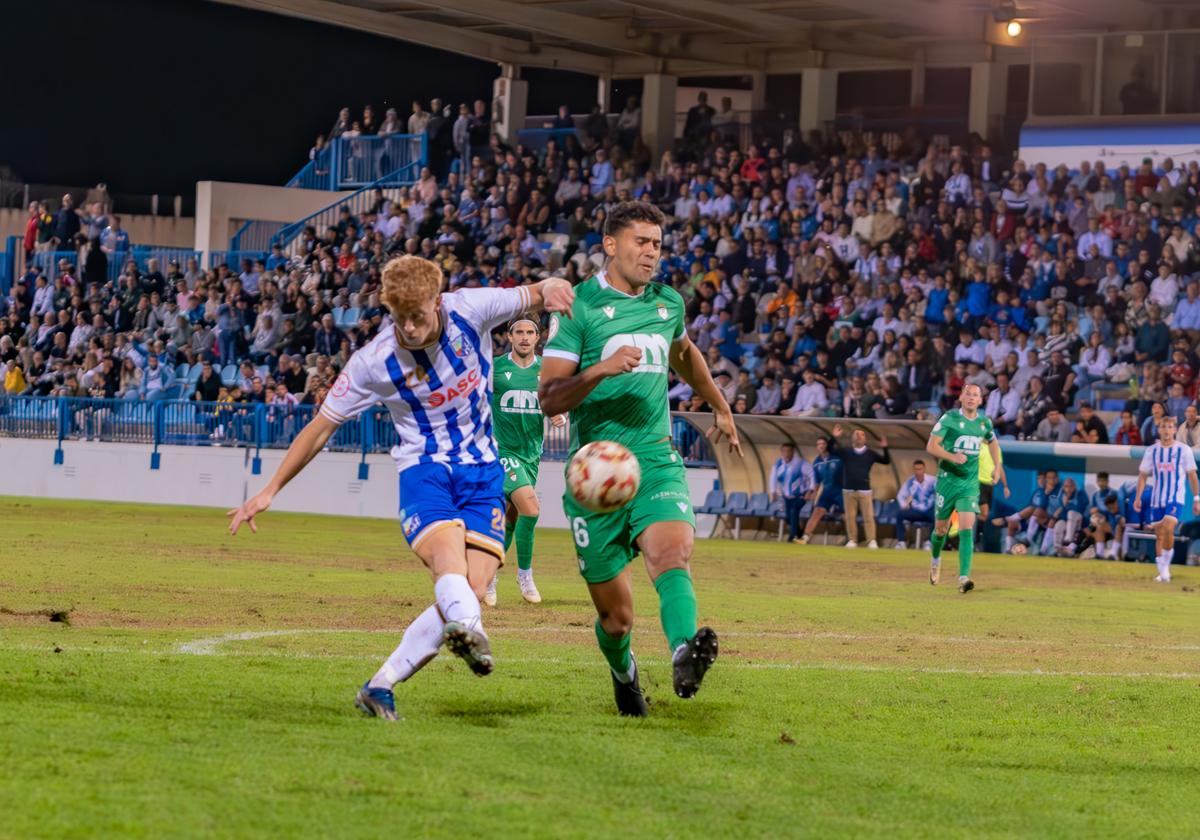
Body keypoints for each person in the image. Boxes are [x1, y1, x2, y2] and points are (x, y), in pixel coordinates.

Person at [226, 255, 575, 720]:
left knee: (471, 587)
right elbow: (320, 427)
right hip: (425, 472)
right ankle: (473, 635)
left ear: (437, 301)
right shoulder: (373, 361)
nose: (409, 327)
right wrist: (271, 488)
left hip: (484, 473)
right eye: (399, 317)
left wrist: (554, 286)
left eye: (418, 315)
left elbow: (536, 291)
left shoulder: (472, 308)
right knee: (449, 570)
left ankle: (380, 684)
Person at [539, 200, 741, 717]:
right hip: (596, 472)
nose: (652, 253)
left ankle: (682, 651)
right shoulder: (579, 307)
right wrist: (601, 370)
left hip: (653, 457)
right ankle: (623, 672)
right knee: (617, 620)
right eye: (641, 242)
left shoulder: (667, 302)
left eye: (657, 244)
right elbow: (550, 397)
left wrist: (720, 406)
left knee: (672, 553)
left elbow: (684, 353)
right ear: (611, 245)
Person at [486, 318, 567, 606]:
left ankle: (488, 577)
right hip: (502, 453)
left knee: (512, 517)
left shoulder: (546, 370)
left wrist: (559, 415)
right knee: (531, 509)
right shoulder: (496, 369)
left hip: (532, 456)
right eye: (519, 332)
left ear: (538, 337)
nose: (524, 337)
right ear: (509, 336)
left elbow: (556, 402)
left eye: (530, 332)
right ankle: (525, 575)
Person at [925, 383, 1004, 593]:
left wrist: (998, 466)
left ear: (980, 400)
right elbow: (931, 446)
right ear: (961, 397)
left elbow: (993, 442)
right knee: (941, 530)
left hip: (969, 484)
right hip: (947, 480)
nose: (971, 397)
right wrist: (952, 457)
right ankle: (935, 558)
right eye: (967, 394)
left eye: (975, 395)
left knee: (967, 527)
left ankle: (963, 577)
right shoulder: (949, 418)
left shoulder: (984, 422)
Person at [1133, 414, 1200, 583]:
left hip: (1175, 498)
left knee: (1168, 527)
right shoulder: (1152, 451)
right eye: (1163, 427)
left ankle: (1164, 570)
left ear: (1175, 430)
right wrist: (1138, 497)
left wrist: (1197, 498)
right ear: (1159, 429)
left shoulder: (1183, 450)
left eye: (1170, 427)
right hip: (1157, 499)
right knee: (1160, 534)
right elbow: (1142, 475)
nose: (1167, 430)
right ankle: (1163, 570)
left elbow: (1192, 475)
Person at [829, 424, 890, 549]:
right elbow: (831, 451)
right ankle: (852, 540)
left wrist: (885, 448)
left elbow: (886, 461)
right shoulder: (846, 452)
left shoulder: (870, 454)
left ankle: (871, 540)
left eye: (861, 434)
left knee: (868, 517)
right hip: (848, 490)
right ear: (852, 439)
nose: (858, 436)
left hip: (865, 490)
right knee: (850, 517)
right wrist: (833, 437)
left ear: (865, 439)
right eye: (855, 434)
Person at [799, 436, 843, 545]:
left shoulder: (837, 458)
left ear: (827, 445)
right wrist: (812, 492)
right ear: (817, 447)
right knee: (816, 512)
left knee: (847, 515)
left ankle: (853, 539)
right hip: (827, 492)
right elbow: (817, 481)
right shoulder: (816, 462)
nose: (821, 446)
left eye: (823, 443)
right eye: (819, 444)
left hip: (840, 492)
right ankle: (805, 537)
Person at [769, 442, 814, 543]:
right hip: (786, 496)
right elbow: (773, 478)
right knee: (788, 517)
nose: (786, 454)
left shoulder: (801, 463)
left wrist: (810, 491)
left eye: (788, 451)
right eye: (784, 451)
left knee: (794, 512)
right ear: (781, 452)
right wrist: (773, 492)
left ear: (793, 452)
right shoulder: (778, 464)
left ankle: (792, 537)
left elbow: (812, 475)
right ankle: (799, 533)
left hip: (800, 495)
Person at [894, 460, 936, 550]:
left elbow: (942, 493)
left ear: (924, 469)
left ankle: (929, 542)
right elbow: (900, 495)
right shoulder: (910, 482)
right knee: (900, 515)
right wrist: (904, 505)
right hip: (915, 511)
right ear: (913, 470)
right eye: (916, 469)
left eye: (920, 469)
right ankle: (901, 542)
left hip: (929, 510)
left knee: (939, 517)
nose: (918, 472)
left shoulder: (933, 481)